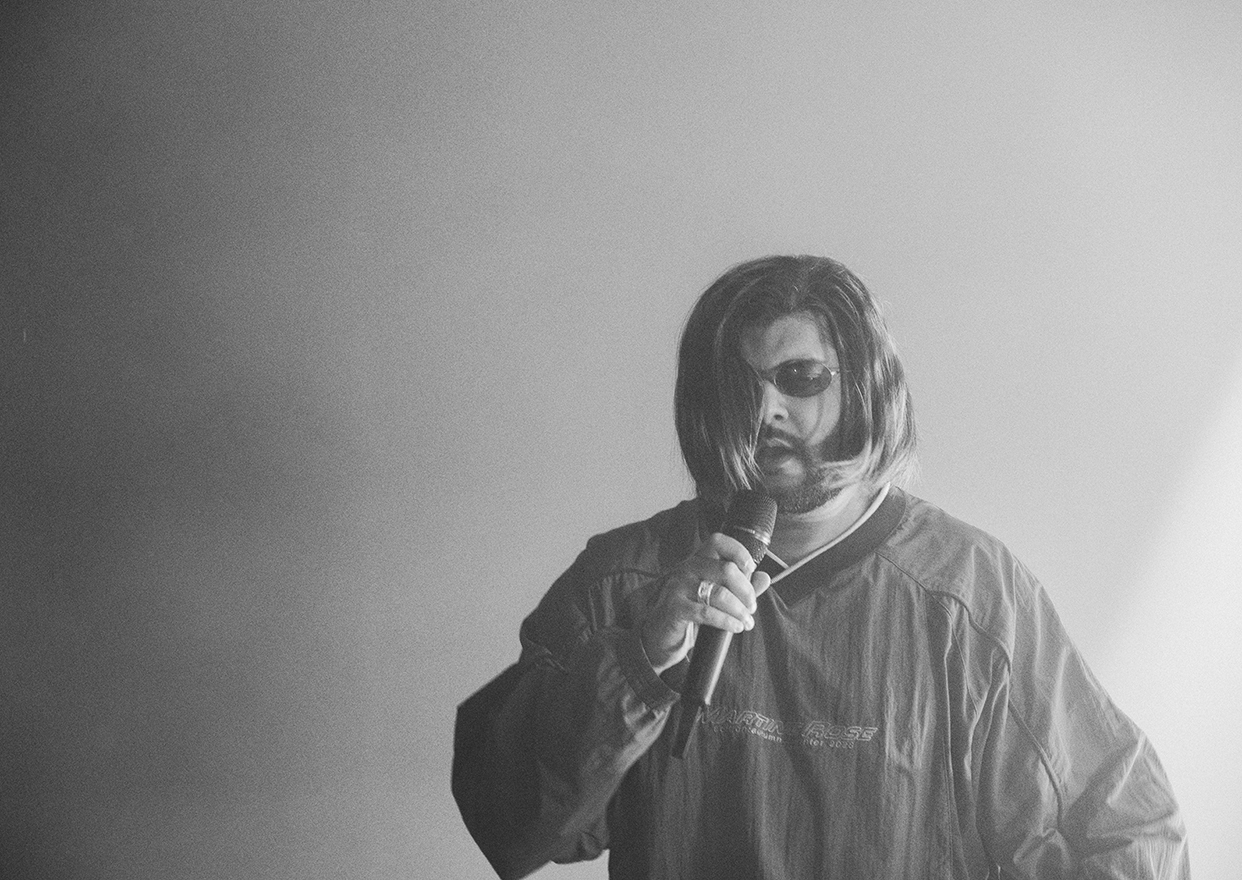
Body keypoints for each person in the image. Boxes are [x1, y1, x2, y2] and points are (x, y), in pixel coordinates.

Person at [452, 255, 1189, 879]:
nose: (764, 411)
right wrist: (642, 659)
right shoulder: (628, 580)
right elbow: (506, 820)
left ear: (863, 385)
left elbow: (1130, 833)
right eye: (739, 386)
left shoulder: (967, 595)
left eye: (799, 378)